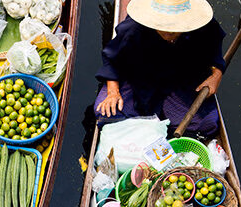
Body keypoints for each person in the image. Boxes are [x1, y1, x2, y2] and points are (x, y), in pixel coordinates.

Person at [94, 0, 226, 136]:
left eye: (174, 30)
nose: (168, 34)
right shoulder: (134, 27)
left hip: (181, 82)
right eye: (163, 27)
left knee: (206, 124)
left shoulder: (203, 26)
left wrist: (216, 76)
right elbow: (113, 58)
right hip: (140, 80)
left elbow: (214, 53)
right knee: (107, 114)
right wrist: (113, 92)